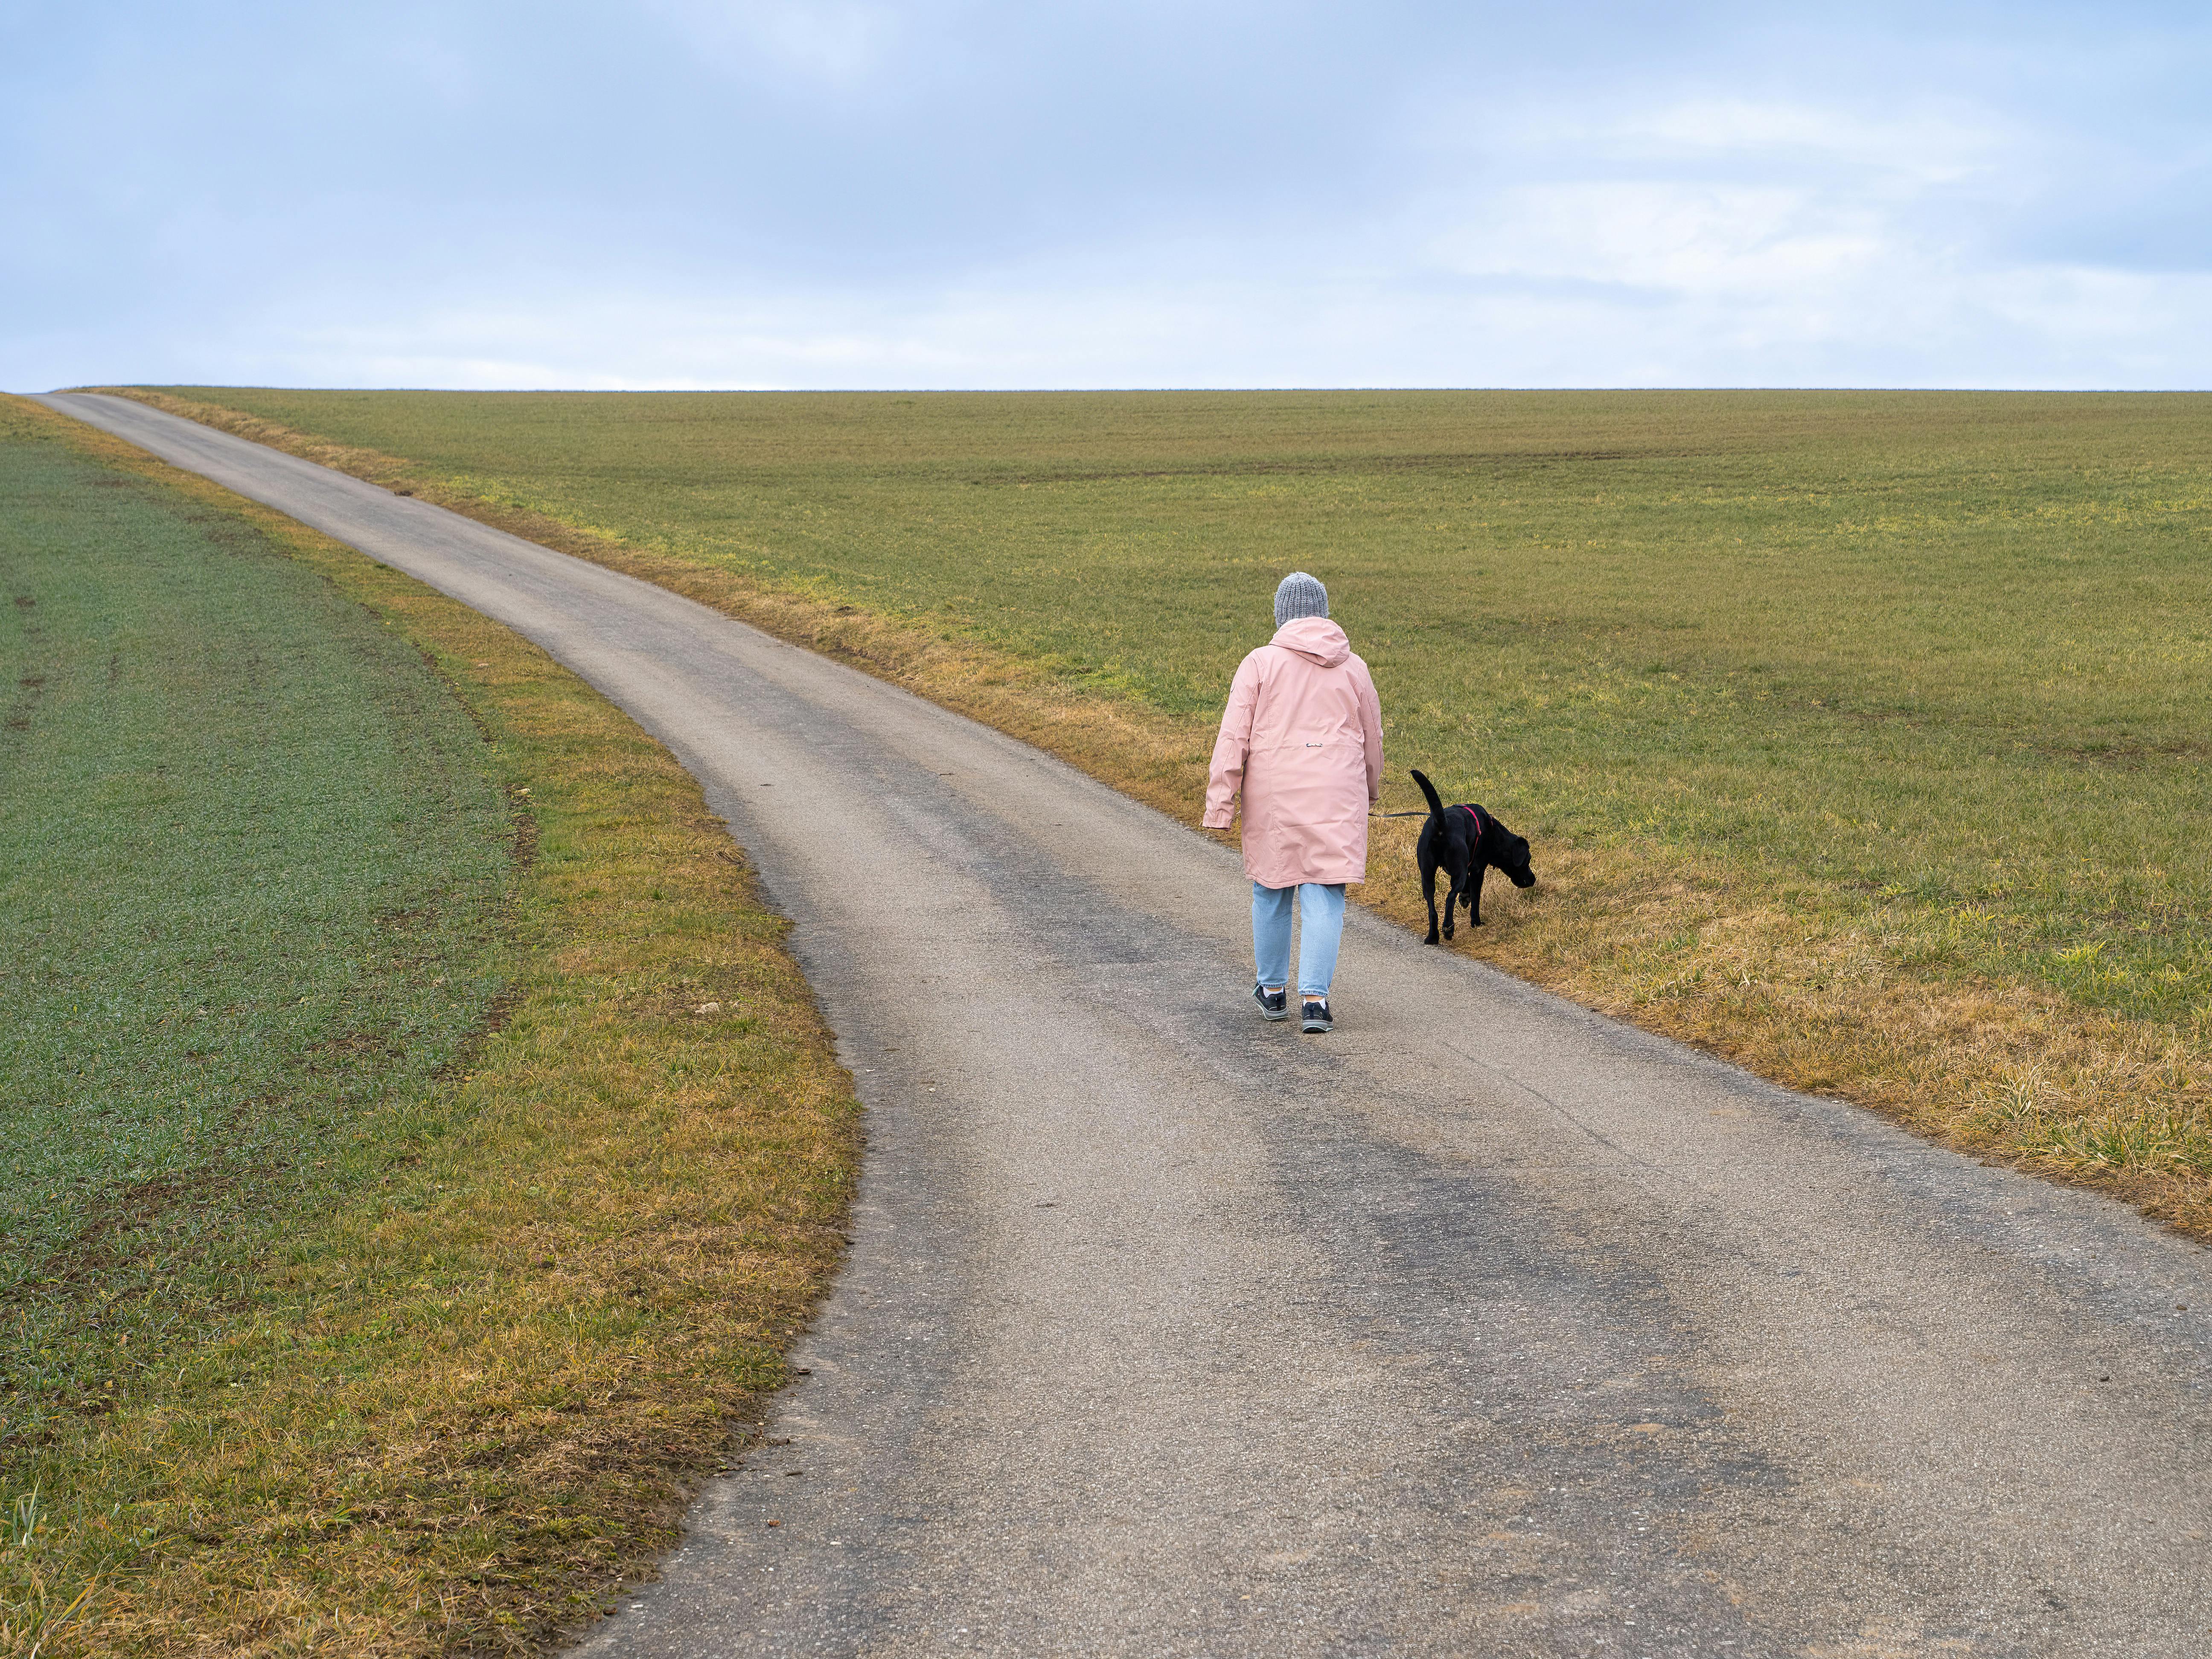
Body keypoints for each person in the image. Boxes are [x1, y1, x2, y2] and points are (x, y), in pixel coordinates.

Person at [1202, 571, 1384, 1034]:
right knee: (1326, 891)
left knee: (1272, 887)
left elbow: (1232, 738)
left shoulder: (1259, 664)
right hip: (1337, 793)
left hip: (1275, 796)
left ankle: (1273, 990)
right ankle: (1316, 1000)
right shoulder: (1354, 667)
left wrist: (1220, 804)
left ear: (1282, 615)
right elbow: (1373, 739)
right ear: (1323, 612)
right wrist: (1370, 789)